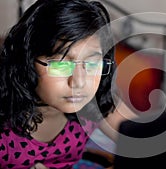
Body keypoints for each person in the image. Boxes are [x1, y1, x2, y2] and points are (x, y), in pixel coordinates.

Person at [0, 0, 135, 168]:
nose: (79, 82)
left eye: (92, 64)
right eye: (61, 65)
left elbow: (147, 141)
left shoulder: (98, 99)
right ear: (27, 62)